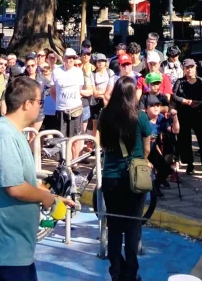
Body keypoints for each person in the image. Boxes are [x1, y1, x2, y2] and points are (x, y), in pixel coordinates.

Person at [0, 76, 75, 281]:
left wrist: (50, 195)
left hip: (13, 240)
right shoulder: (4, 135)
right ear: (27, 104)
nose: (42, 107)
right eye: (40, 102)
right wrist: (45, 197)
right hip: (5, 241)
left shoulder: (12, 132)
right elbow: (14, 187)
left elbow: (21, 181)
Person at [97, 76, 153, 281]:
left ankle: (116, 270)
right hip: (134, 179)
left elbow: (103, 144)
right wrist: (141, 159)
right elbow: (147, 147)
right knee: (132, 226)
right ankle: (131, 273)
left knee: (114, 226)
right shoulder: (140, 117)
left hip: (110, 177)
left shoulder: (104, 115)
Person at [173, 59, 202, 175]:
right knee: (185, 140)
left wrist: (201, 102)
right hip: (184, 114)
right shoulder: (180, 82)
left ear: (195, 67)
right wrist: (183, 101)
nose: (190, 70)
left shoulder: (201, 81)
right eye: (187, 67)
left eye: (192, 67)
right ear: (184, 69)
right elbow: (173, 95)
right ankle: (189, 165)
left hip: (199, 114)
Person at [51, 48, 91, 160]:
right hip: (61, 110)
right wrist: (59, 102)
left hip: (75, 110)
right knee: (61, 139)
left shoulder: (78, 72)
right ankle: (63, 162)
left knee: (75, 139)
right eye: (68, 57)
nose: (70, 60)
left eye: (73, 58)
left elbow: (79, 90)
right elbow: (53, 90)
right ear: (63, 58)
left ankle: (75, 162)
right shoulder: (56, 71)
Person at [145, 94, 178, 198]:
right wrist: (145, 160)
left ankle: (155, 187)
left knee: (165, 169)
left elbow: (176, 130)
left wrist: (175, 117)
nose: (156, 108)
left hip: (152, 149)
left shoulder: (160, 118)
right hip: (140, 149)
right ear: (146, 109)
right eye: (152, 105)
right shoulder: (142, 119)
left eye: (158, 105)